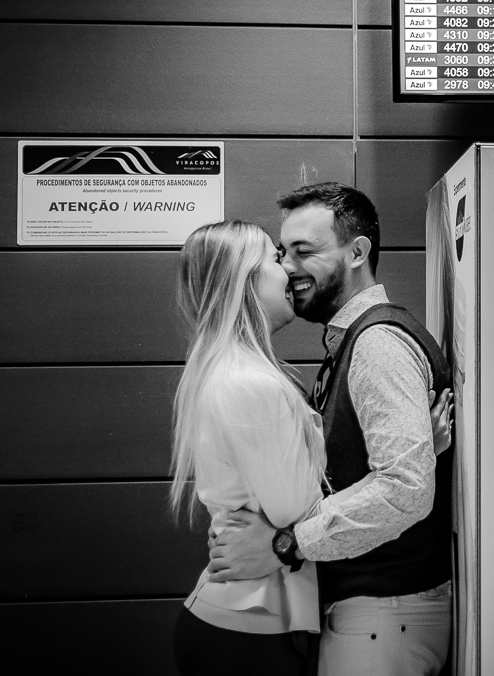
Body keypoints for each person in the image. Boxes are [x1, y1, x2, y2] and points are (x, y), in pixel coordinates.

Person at [207, 183, 455, 676]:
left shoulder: (377, 344)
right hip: (377, 614)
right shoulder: (349, 344)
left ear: (357, 251)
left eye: (305, 251)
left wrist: (283, 544)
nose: (289, 267)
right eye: (282, 253)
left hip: (385, 614)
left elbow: (405, 489)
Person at [169, 220, 327, 676]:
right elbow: (298, 513)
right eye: (276, 259)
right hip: (249, 633)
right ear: (246, 280)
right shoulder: (249, 383)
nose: (290, 269)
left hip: (243, 624)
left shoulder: (228, 372)